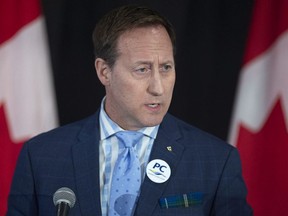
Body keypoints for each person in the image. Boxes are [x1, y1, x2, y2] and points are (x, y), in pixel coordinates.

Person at [7, 4, 252, 216]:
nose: (158, 88)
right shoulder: (40, 157)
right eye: (142, 69)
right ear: (104, 72)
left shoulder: (216, 161)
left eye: (166, 67)